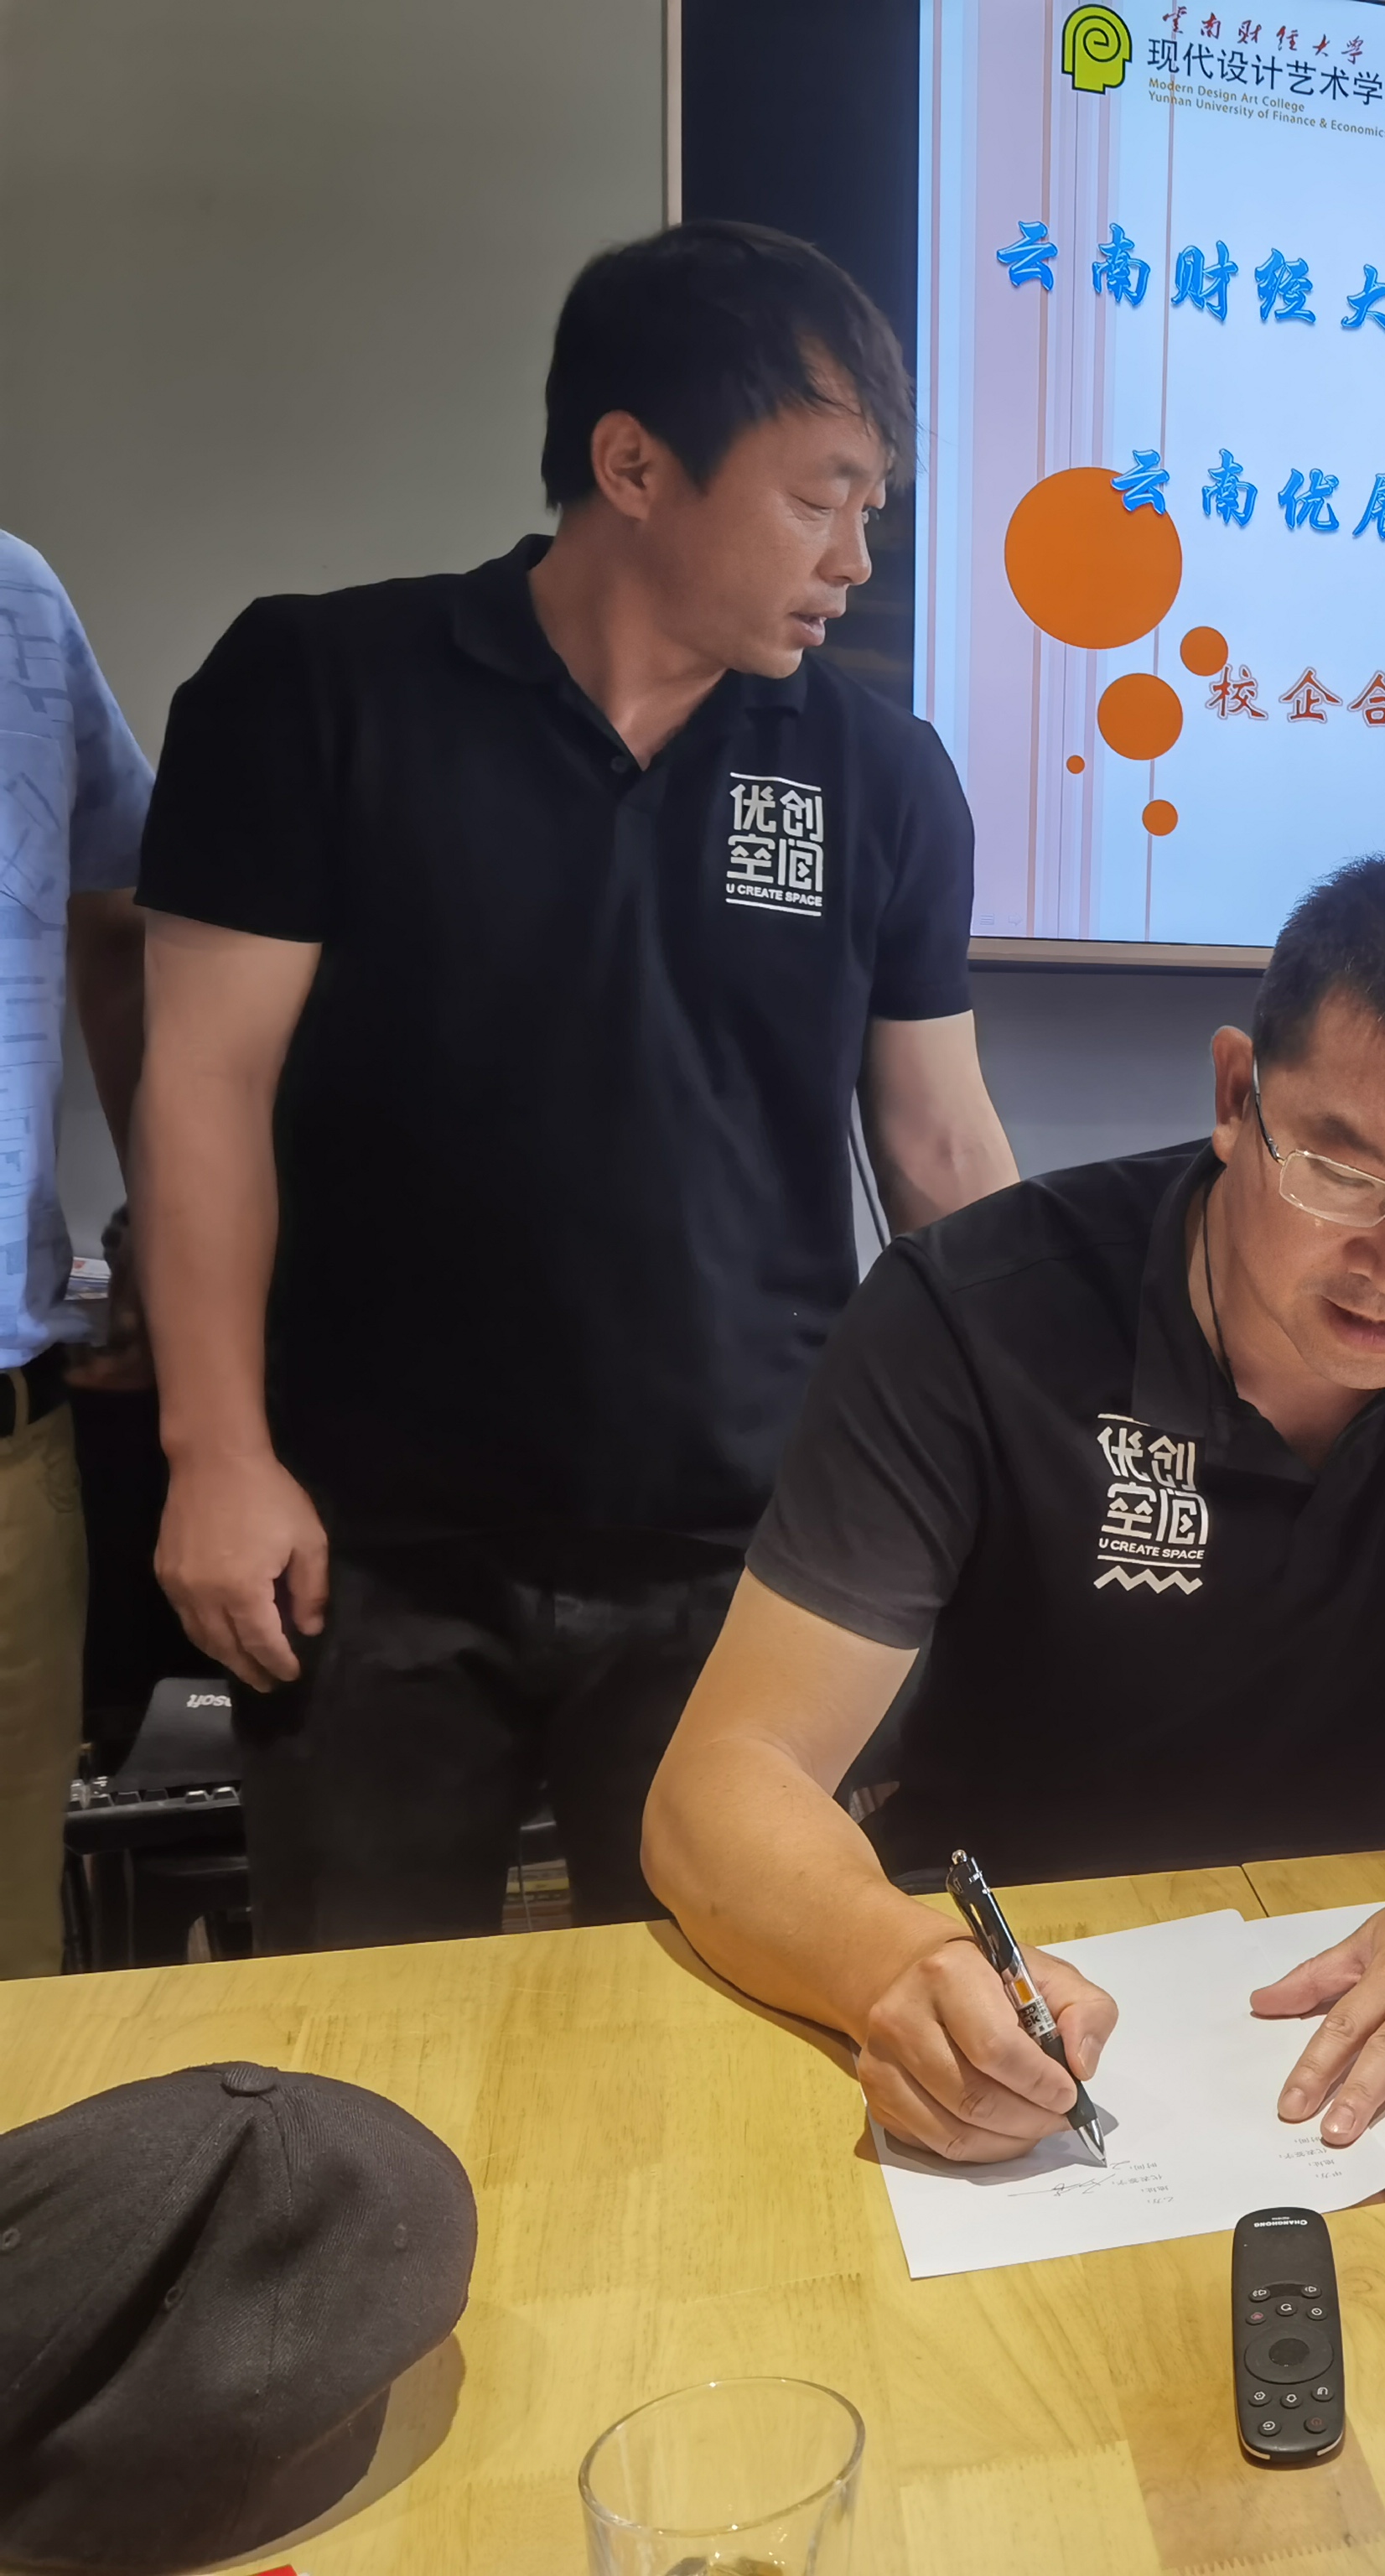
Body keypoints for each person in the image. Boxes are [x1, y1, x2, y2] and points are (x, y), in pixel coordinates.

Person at [130, 222, 1018, 1951]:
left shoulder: (881, 775)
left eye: (873, 507)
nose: (856, 558)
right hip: (373, 1543)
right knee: (359, 2036)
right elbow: (203, 1088)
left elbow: (937, 1141)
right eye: (819, 498)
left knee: (726, 2028)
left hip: (750, 1555)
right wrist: (214, 1450)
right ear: (633, 464)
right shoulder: (317, 689)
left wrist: (1027, 1456)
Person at [641, 852, 1385, 2167]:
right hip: (1038, 1982)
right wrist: (894, 1963)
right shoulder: (975, 1312)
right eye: (1344, 1175)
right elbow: (720, 1785)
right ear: (1238, 1097)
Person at [0, 532, 152, 1980]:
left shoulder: (16, 603)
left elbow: (117, 916)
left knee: (13, 1982)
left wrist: (160, 1233)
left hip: (7, 1449)